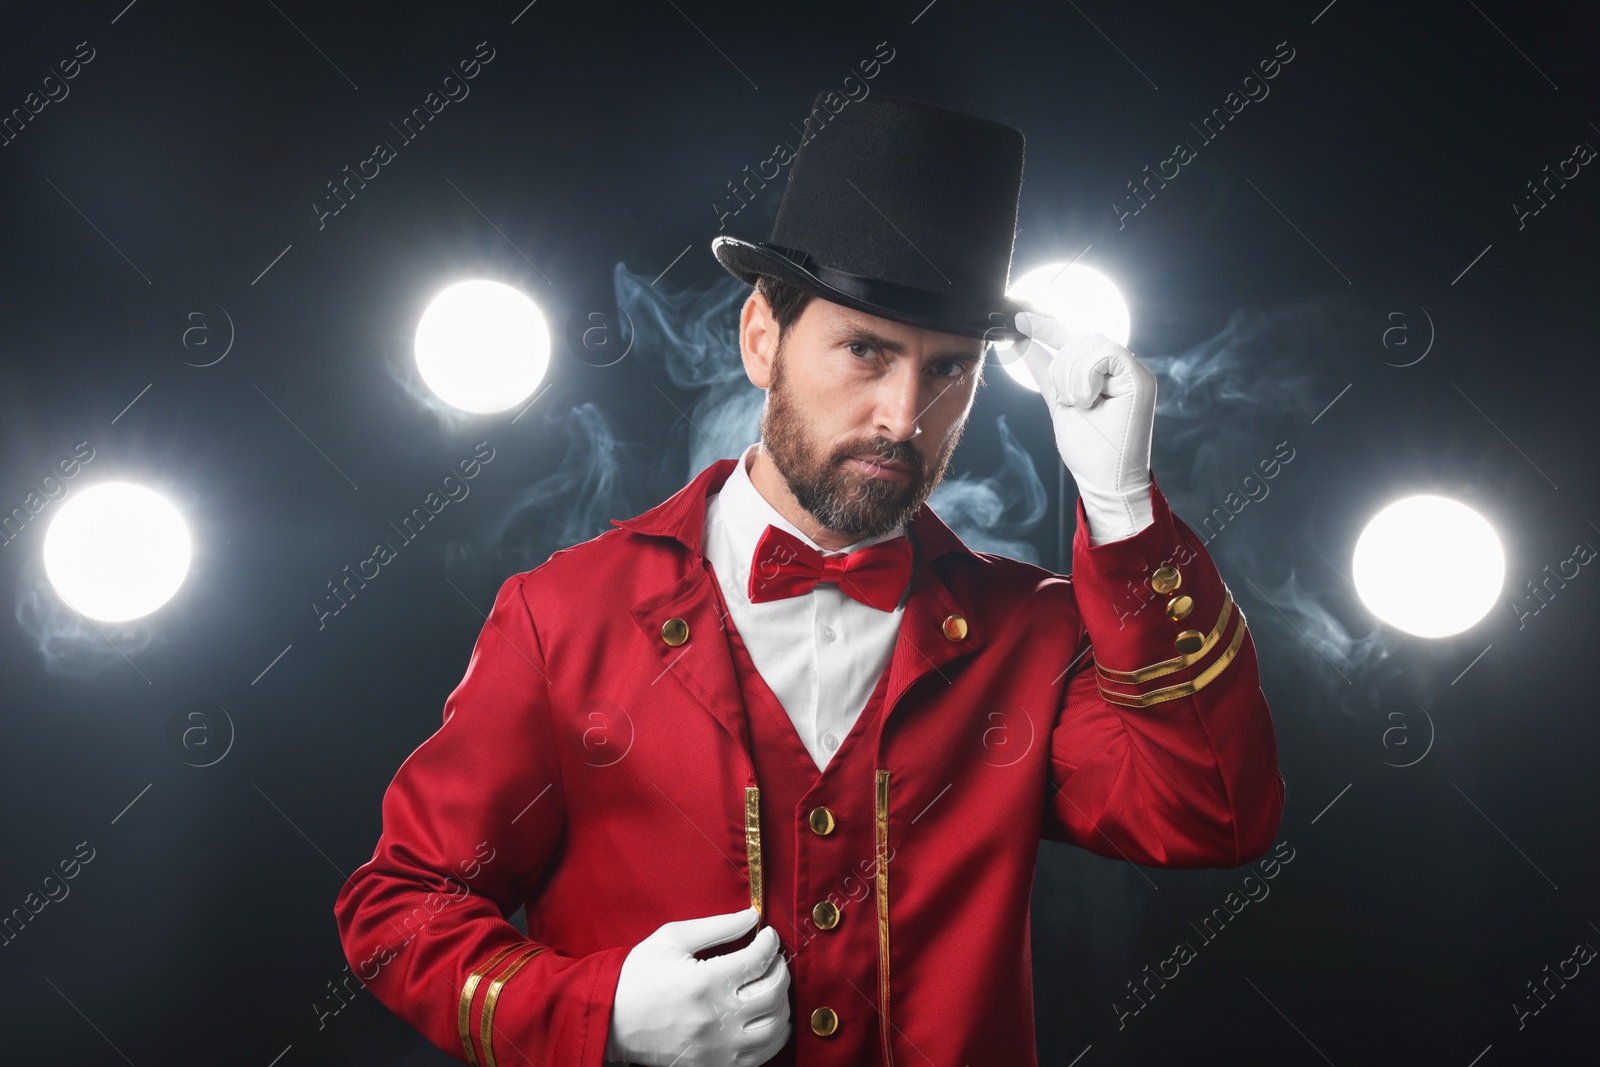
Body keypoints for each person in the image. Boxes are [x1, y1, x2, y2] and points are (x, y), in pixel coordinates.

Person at [334, 94, 1285, 1067]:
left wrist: (1121, 499)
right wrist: (598, 1008)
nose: (904, 414)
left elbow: (1211, 811)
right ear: (760, 338)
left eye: (950, 369)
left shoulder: (1030, 632)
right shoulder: (563, 613)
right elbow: (400, 909)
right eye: (865, 349)